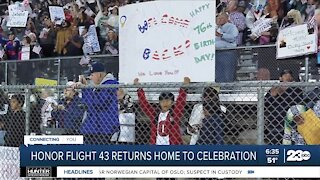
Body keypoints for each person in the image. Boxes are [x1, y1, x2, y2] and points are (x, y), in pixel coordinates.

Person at [134, 77, 189, 145]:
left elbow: (180, 102)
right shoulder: (155, 114)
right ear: (159, 102)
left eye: (168, 101)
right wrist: (139, 89)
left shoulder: (175, 114)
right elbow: (144, 104)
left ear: (172, 102)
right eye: (162, 101)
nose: (165, 103)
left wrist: (184, 88)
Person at [75, 62, 119, 144]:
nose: (91, 78)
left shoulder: (110, 84)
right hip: (94, 128)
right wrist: (85, 87)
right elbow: (88, 103)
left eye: (92, 75)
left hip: (103, 128)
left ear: (99, 75)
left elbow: (98, 103)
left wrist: (85, 88)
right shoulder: (98, 86)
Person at [264, 69, 304, 145]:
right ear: (280, 78)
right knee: (275, 145)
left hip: (292, 125)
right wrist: (273, 96)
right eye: (285, 75)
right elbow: (265, 104)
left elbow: (299, 105)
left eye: (289, 76)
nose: (287, 77)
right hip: (275, 124)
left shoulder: (296, 90)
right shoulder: (274, 89)